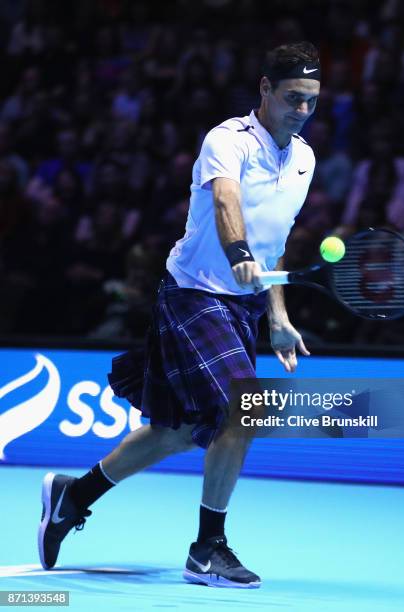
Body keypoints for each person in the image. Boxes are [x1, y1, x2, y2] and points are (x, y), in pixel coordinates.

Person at [37, 41, 320, 588]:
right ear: (264, 89)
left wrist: (278, 314)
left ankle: (73, 496)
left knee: (180, 429)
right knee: (245, 408)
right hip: (193, 295)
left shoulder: (304, 158)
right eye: (291, 98)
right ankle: (208, 548)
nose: (301, 111)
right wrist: (238, 252)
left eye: (310, 101)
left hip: (243, 306)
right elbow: (225, 204)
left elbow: (275, 243)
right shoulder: (228, 140)